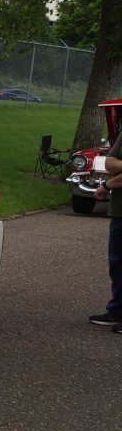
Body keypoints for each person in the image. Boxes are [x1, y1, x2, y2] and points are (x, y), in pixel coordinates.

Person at [89, 131, 122, 332]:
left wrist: (107, 185)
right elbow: (109, 163)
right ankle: (117, 311)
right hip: (120, 211)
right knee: (117, 264)